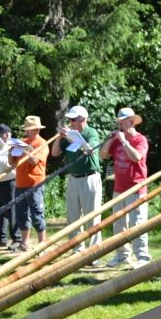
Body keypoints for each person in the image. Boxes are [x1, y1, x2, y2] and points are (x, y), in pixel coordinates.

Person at [99, 107, 151, 269]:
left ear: (131, 122)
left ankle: (142, 257)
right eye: (119, 122)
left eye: (124, 122)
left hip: (136, 188)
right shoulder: (117, 138)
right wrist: (111, 139)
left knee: (137, 223)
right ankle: (122, 254)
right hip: (119, 188)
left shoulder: (140, 140)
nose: (121, 125)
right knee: (119, 224)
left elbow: (137, 157)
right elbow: (102, 155)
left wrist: (124, 141)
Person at [51, 105, 103, 255]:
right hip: (73, 178)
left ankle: (94, 252)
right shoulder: (70, 135)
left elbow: (90, 150)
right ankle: (76, 250)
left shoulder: (90, 132)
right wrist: (59, 137)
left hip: (89, 177)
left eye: (74, 119)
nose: (71, 122)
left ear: (83, 119)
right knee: (73, 216)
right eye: (70, 120)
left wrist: (69, 137)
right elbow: (55, 153)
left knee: (92, 217)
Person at [10, 115, 49, 253]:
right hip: (20, 183)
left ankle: (41, 245)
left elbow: (34, 161)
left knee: (37, 213)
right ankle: (25, 243)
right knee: (21, 215)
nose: (32, 131)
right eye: (29, 129)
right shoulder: (21, 141)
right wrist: (11, 150)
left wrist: (26, 149)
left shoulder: (42, 143)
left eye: (34, 129)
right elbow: (12, 163)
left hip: (35, 183)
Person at [0, 123, 22, 250]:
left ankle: (17, 238)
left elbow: (7, 164)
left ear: (7, 135)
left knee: (12, 211)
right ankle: (0, 238)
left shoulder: (12, 146)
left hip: (11, 181)